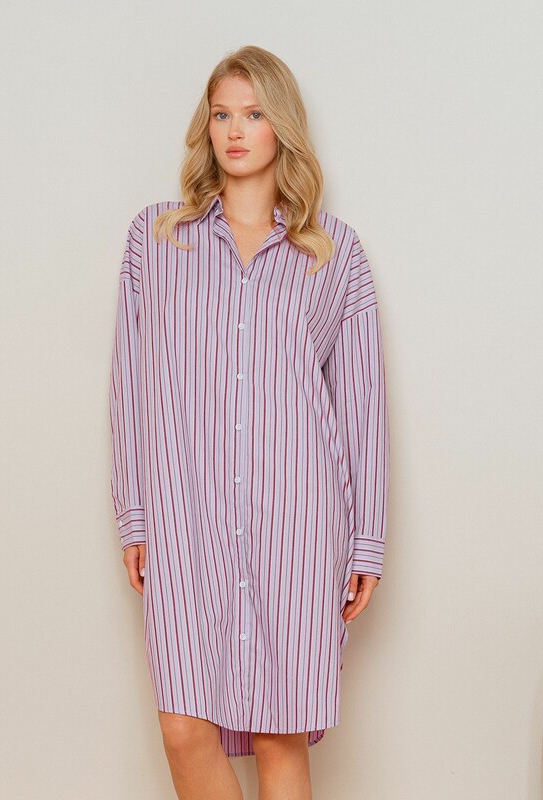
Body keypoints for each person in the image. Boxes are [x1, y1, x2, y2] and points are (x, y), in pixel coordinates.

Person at [109, 44, 390, 800]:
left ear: (282, 126)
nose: (235, 131)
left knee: (278, 735)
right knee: (183, 729)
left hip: (297, 524)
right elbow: (131, 384)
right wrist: (135, 513)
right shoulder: (155, 241)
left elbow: (361, 406)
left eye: (255, 114)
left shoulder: (334, 255)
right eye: (222, 115)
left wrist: (367, 536)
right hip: (185, 517)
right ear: (206, 127)